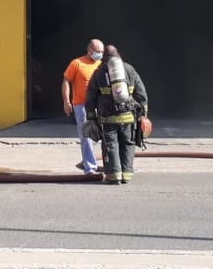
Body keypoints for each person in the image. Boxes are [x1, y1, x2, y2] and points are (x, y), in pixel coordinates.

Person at [84, 45, 149, 186]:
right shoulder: (129, 69)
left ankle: (114, 176)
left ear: (104, 57)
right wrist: (143, 113)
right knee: (128, 143)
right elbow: (141, 93)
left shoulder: (99, 72)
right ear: (118, 54)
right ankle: (127, 174)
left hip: (107, 118)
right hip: (128, 116)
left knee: (110, 145)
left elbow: (90, 96)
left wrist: (91, 117)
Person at [62, 38, 104, 173]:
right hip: (82, 107)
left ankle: (111, 165)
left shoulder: (102, 65)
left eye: (102, 52)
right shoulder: (77, 63)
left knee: (106, 135)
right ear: (89, 50)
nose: (100, 54)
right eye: (97, 51)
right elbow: (66, 81)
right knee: (86, 137)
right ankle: (90, 168)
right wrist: (66, 102)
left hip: (100, 106)